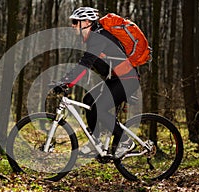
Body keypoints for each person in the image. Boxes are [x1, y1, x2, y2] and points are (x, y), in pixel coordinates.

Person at [59, 7, 140, 158]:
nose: (73, 25)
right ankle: (94, 142)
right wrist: (66, 79)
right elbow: (87, 63)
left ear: (87, 22)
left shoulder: (98, 38)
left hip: (127, 80)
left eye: (76, 22)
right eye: (73, 22)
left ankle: (125, 140)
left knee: (100, 109)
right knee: (88, 100)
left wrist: (67, 82)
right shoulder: (94, 38)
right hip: (115, 80)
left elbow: (85, 63)